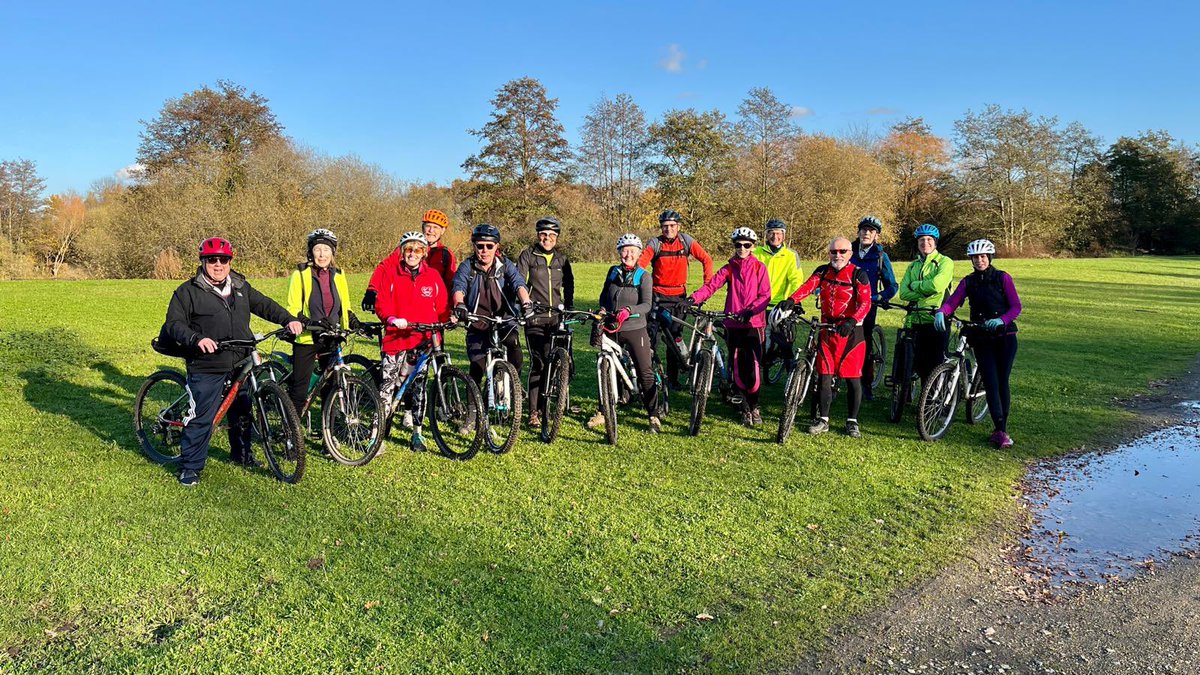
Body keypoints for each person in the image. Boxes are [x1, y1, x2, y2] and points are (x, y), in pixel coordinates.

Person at [161, 237, 303, 486]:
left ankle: (243, 455)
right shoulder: (188, 291)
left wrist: (287, 319)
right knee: (203, 415)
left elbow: (265, 305)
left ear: (230, 261)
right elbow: (174, 324)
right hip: (207, 363)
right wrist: (196, 338)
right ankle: (190, 467)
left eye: (223, 260)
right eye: (212, 260)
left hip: (240, 357)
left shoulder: (239, 285)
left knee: (242, 410)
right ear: (203, 261)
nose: (218, 265)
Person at [776, 237, 872, 437]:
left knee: (853, 379)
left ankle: (852, 421)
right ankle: (823, 419)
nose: (838, 255)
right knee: (824, 376)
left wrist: (852, 321)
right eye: (834, 251)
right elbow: (808, 286)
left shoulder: (858, 274)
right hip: (827, 329)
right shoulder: (822, 270)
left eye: (842, 251)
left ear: (850, 253)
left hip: (851, 332)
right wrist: (792, 300)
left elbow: (865, 303)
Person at [936, 239, 1022, 449]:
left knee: (1001, 382)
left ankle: (1001, 430)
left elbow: (1016, 306)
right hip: (981, 337)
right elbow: (953, 301)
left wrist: (1002, 320)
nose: (979, 260)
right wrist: (942, 312)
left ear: (989, 258)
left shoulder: (1003, 278)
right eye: (975, 257)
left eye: (983, 257)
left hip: (1004, 338)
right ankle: (999, 428)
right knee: (991, 382)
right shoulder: (968, 282)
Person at [372, 231, 452, 452]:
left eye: (418, 250)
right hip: (396, 338)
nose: (413, 254)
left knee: (419, 388)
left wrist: (449, 318)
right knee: (387, 387)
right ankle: (376, 434)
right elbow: (381, 303)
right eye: (408, 249)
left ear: (424, 253)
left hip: (423, 339)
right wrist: (391, 319)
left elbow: (443, 305)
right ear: (402, 251)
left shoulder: (433, 276)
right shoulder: (391, 273)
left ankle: (417, 434)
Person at [687, 227, 772, 426]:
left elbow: (765, 295)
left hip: (753, 324)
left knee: (753, 369)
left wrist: (750, 311)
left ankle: (754, 406)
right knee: (736, 365)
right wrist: (693, 299)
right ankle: (743, 407)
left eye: (746, 245)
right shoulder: (729, 268)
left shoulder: (760, 268)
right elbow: (711, 286)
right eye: (738, 245)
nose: (741, 248)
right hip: (733, 323)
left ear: (752, 247)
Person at [589, 234, 662, 433]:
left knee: (645, 372)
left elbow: (647, 304)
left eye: (632, 250)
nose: (628, 254)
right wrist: (602, 310)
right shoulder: (612, 272)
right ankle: (603, 411)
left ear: (639, 254)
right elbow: (604, 296)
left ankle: (653, 415)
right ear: (619, 252)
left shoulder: (643, 276)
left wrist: (630, 310)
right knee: (603, 368)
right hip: (612, 328)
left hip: (635, 328)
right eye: (624, 250)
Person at [638, 209, 714, 389]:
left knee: (674, 338)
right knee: (652, 338)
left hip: (678, 298)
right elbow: (641, 264)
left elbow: (707, 259)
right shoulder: (655, 243)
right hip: (657, 297)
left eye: (672, 226)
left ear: (678, 226)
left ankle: (672, 380)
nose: (668, 229)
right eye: (665, 226)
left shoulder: (686, 241)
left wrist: (706, 286)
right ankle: (648, 379)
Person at [284, 228, 353, 424]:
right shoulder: (300, 274)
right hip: (307, 337)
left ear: (332, 252)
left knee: (330, 389)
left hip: (331, 338)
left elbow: (345, 306)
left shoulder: (339, 274)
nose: (322, 254)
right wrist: (309, 323)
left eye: (326, 249)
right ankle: (292, 437)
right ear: (311, 252)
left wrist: (353, 321)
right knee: (299, 390)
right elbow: (293, 308)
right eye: (317, 249)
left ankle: (328, 438)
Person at [450, 224, 533, 386]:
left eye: (489, 246)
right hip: (477, 319)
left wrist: (526, 302)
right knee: (477, 367)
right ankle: (473, 409)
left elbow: (519, 283)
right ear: (474, 246)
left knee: (513, 343)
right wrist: (459, 304)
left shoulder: (505, 264)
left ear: (497, 246)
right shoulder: (467, 266)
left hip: (504, 318)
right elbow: (459, 286)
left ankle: (515, 385)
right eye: (480, 246)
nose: (484, 250)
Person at [516, 216, 575, 428]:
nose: (547, 238)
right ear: (537, 235)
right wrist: (525, 305)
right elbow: (519, 282)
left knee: (555, 361)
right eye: (543, 234)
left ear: (557, 238)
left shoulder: (562, 259)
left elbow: (569, 284)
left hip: (556, 317)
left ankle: (550, 403)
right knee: (539, 362)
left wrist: (569, 306)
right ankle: (534, 411)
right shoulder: (528, 256)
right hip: (536, 317)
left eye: (551, 235)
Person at [361, 209, 456, 312]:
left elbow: (451, 283)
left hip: (431, 306)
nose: (431, 231)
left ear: (442, 231)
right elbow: (384, 267)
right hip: (404, 304)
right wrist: (372, 290)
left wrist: (450, 307)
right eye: (428, 226)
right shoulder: (407, 248)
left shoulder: (446, 254)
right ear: (422, 227)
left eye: (436, 227)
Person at [897, 223, 954, 386]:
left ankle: (936, 405)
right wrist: (925, 289)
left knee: (935, 364)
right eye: (922, 240)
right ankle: (924, 403)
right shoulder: (913, 265)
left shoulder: (945, 262)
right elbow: (903, 293)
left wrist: (915, 285)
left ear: (935, 242)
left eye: (929, 239)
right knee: (920, 364)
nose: (925, 243)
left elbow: (937, 286)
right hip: (915, 318)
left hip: (936, 318)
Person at [849, 216, 899, 399]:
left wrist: (878, 296)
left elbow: (892, 285)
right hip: (846, 303)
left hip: (867, 306)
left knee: (865, 344)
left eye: (871, 231)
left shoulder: (880, 256)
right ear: (859, 232)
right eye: (863, 229)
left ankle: (866, 383)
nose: (866, 233)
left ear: (876, 235)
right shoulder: (848, 251)